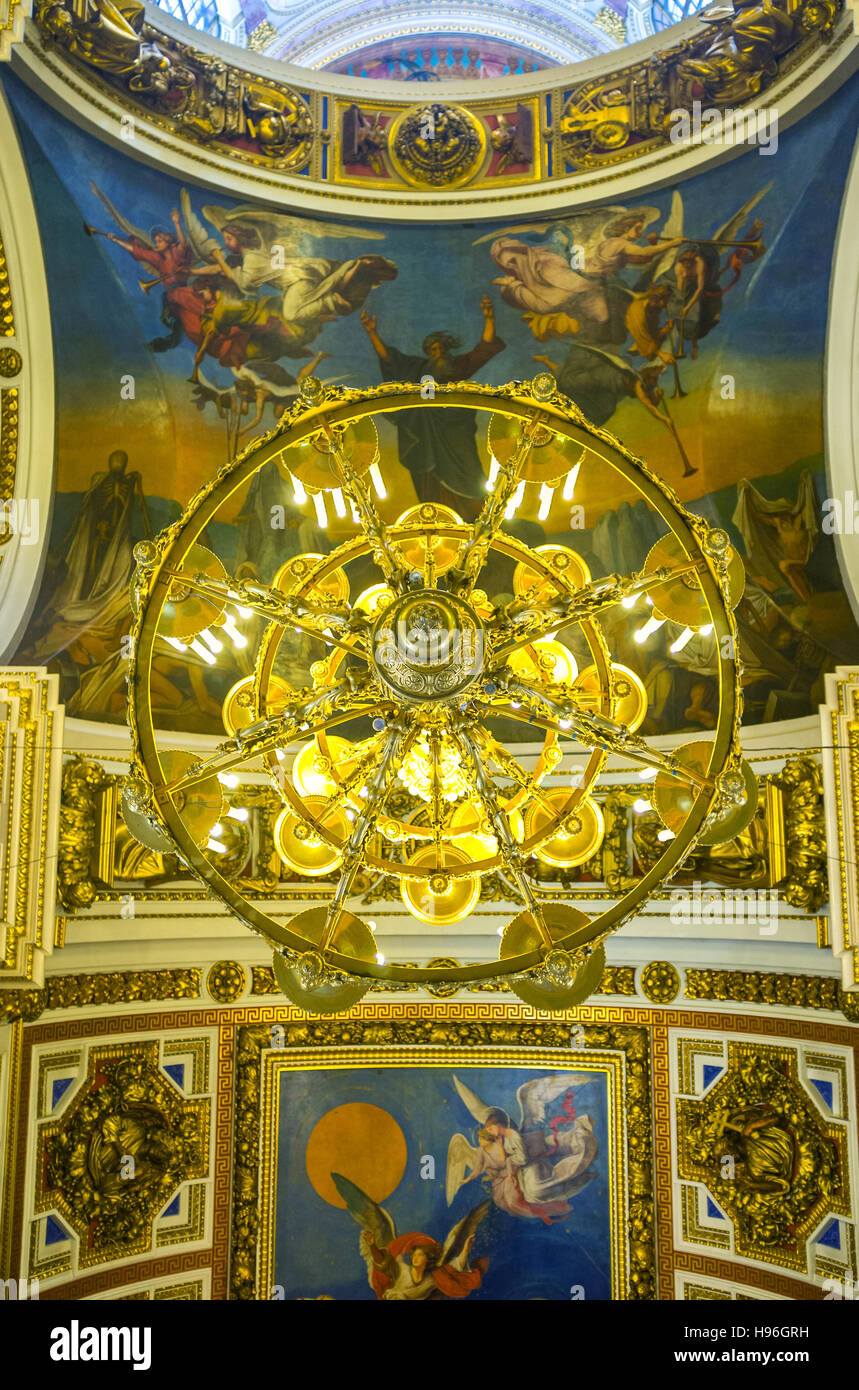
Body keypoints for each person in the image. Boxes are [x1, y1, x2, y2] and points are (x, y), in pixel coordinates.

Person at [361, 295, 505, 502]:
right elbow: (390, 359)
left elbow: (483, 349)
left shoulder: (456, 366)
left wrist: (489, 318)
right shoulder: (419, 368)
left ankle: (477, 515)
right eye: (434, 350)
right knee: (429, 475)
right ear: (428, 353)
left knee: (469, 471)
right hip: (425, 430)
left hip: (456, 430)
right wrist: (372, 332)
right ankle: (433, 515)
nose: (439, 354)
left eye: (442, 349)